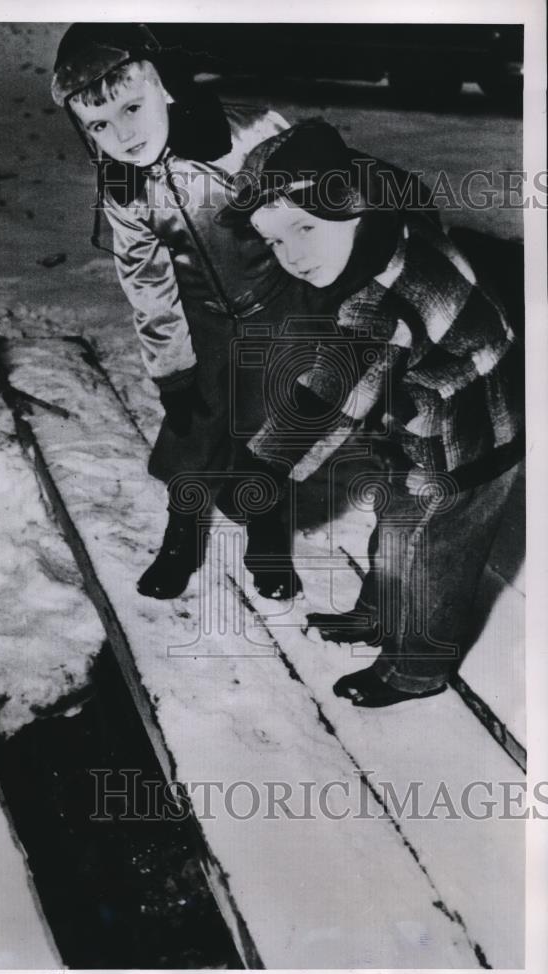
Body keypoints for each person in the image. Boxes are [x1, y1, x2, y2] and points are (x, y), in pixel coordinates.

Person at [217, 119, 524, 707]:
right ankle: (378, 614)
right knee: (394, 528)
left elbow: (328, 395)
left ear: (358, 208)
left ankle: (415, 669)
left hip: (476, 439)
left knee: (430, 553)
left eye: (305, 228)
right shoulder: (389, 233)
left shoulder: (383, 303)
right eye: (276, 241)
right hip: (422, 418)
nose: (292, 255)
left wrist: (261, 467)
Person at [51, 22, 309, 602]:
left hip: (280, 306)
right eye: (98, 124)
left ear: (163, 87)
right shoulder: (124, 187)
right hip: (203, 322)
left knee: (270, 433)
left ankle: (266, 534)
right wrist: (173, 368)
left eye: (132, 107)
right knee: (195, 433)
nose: (123, 134)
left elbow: (314, 213)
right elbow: (145, 279)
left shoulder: (245, 135)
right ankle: (181, 538)